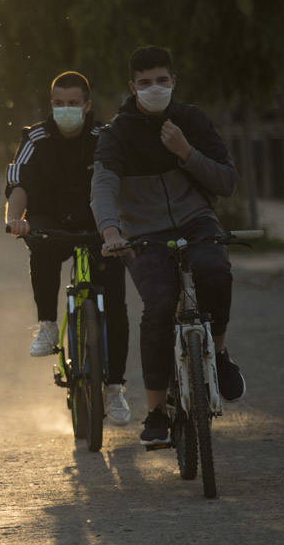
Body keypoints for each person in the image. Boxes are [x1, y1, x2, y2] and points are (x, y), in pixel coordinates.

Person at [92, 45, 244, 448]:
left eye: (162, 80)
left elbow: (227, 182)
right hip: (143, 232)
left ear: (174, 81)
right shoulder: (116, 133)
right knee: (158, 306)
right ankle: (157, 411)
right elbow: (103, 185)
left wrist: (186, 152)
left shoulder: (192, 120)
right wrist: (111, 232)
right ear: (132, 87)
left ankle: (219, 354)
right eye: (145, 83)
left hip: (196, 221)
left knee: (215, 271)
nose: (154, 88)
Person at [6, 71, 131, 425]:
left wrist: (123, 225)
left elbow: (123, 181)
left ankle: (115, 387)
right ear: (51, 104)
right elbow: (17, 181)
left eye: (73, 103)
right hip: (50, 219)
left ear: (87, 106)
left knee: (115, 304)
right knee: (42, 249)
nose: (66, 109)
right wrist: (15, 219)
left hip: (98, 224)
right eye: (59, 103)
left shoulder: (104, 137)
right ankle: (47, 324)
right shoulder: (36, 137)